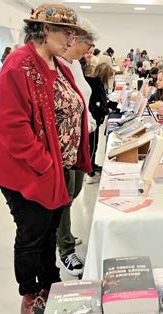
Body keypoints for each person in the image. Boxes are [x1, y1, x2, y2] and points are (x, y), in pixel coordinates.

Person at [0, 3, 91, 314]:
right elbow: (11, 124)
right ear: (45, 30)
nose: (71, 39)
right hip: (27, 170)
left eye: (74, 33)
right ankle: (30, 293)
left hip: (54, 167)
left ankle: (50, 283)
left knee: (48, 231)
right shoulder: (19, 64)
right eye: (67, 32)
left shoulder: (54, 62)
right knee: (32, 232)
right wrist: (44, 163)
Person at [57, 19, 98, 275]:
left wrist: (89, 120)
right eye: (88, 45)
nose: (90, 50)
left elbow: (81, 99)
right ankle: (66, 249)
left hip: (81, 135)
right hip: (66, 140)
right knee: (64, 193)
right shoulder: (58, 65)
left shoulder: (76, 66)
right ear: (75, 40)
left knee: (75, 189)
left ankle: (63, 232)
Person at [86, 63, 114, 183]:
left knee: (94, 145)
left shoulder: (95, 84)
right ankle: (90, 172)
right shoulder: (96, 86)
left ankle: (92, 166)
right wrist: (107, 110)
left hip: (94, 119)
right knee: (91, 146)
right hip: (93, 120)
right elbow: (97, 106)